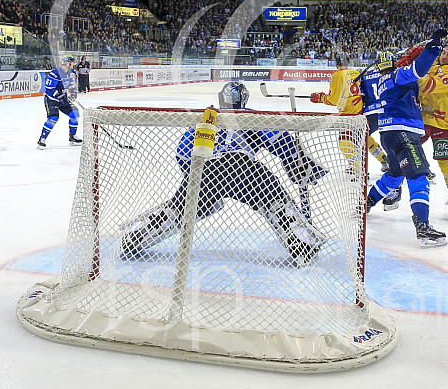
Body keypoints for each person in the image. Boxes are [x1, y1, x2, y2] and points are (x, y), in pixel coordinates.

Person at [120, 81, 328, 267]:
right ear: (243, 99)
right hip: (244, 170)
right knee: (276, 204)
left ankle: (134, 236)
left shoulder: (207, 119)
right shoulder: (250, 115)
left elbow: (183, 154)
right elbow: (280, 140)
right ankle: (304, 245)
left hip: (205, 172)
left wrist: (195, 184)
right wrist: (297, 164)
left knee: (178, 210)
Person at [361, 28, 448, 248]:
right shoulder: (397, 75)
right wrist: (434, 48)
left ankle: (366, 203)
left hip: (388, 134)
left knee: (394, 174)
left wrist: (418, 51)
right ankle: (423, 228)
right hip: (404, 132)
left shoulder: (382, 80)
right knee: (418, 174)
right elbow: (418, 69)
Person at [396, 40, 448, 219]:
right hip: (420, 120)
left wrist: (404, 74)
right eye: (444, 52)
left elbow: (428, 85)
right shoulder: (434, 62)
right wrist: (410, 58)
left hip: (443, 122)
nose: (445, 55)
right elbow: (419, 65)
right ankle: (395, 186)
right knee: (404, 154)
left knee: (447, 164)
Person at [310, 53, 389, 176]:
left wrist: (320, 97)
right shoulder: (356, 73)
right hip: (361, 113)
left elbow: (334, 99)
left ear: (336, 64)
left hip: (348, 116)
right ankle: (384, 159)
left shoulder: (337, 75)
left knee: (345, 142)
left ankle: (357, 168)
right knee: (365, 138)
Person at [36, 54, 82, 149]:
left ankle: (72, 136)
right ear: (67, 62)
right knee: (53, 118)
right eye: (72, 62)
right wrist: (58, 95)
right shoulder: (55, 73)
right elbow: (49, 89)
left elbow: (72, 86)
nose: (73, 64)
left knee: (75, 114)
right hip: (52, 100)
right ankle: (42, 139)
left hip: (63, 99)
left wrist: (73, 93)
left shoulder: (72, 73)